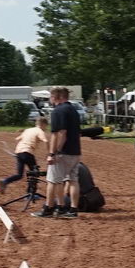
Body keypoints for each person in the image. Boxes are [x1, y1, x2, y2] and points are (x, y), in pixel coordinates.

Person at [37, 87, 81, 218]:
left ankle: (50, 207)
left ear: (58, 97)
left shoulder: (58, 111)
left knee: (53, 181)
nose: (50, 100)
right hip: (75, 151)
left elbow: (60, 134)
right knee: (73, 180)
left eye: (51, 97)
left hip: (63, 153)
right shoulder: (74, 110)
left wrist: (53, 153)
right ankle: (73, 209)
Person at [0, 116, 50, 190]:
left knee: (19, 175)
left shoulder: (28, 130)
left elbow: (17, 139)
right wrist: (48, 153)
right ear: (43, 124)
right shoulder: (40, 131)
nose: (46, 128)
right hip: (27, 152)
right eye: (46, 126)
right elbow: (46, 141)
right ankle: (30, 193)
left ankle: (5, 181)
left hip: (19, 152)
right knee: (35, 173)